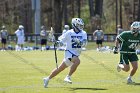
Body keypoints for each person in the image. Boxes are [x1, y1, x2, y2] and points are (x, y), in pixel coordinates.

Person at [43, 18, 87, 88]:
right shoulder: (69, 33)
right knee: (77, 61)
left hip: (76, 54)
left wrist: (79, 42)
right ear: (74, 25)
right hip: (68, 52)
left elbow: (84, 44)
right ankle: (68, 77)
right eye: (78, 25)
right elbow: (61, 42)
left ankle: (47, 79)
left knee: (60, 69)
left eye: (81, 25)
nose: (80, 27)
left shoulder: (83, 33)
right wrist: (56, 42)